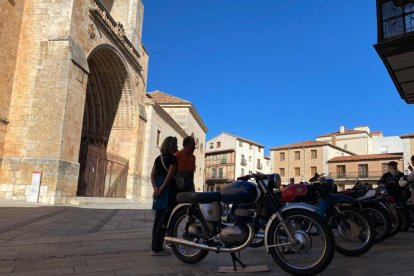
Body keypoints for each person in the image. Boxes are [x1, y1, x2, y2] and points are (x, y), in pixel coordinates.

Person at [150, 136, 178, 256]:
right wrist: (162, 188)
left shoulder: (158, 158)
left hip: (158, 191)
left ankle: (155, 246)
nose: (177, 147)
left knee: (157, 219)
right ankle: (157, 248)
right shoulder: (173, 158)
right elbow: (170, 175)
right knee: (164, 220)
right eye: (175, 145)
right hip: (168, 192)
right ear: (171, 145)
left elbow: (152, 175)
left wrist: (156, 188)